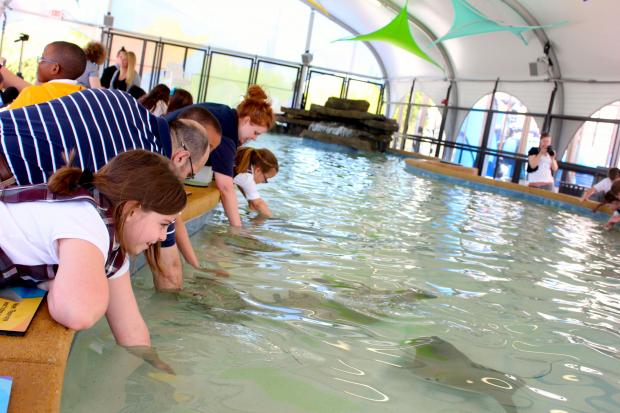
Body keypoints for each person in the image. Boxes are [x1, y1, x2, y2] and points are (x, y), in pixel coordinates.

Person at [0, 88, 214, 291]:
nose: (183, 181)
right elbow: (169, 270)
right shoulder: (147, 166)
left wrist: (194, 262)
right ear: (180, 158)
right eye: (190, 174)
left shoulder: (124, 101)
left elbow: (171, 220)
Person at [0, 149, 186, 349]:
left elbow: (133, 333)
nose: (162, 237)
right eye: (163, 224)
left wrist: (156, 370)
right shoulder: (88, 222)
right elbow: (80, 313)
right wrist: (52, 285)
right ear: (132, 210)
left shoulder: (112, 246)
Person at [166, 84, 275, 227]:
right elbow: (225, 188)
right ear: (247, 121)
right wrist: (237, 229)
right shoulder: (227, 134)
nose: (255, 139)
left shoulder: (226, 114)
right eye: (256, 133)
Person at [0, 41, 86, 110]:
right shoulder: (84, 95)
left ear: (54, 68)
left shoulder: (32, 94)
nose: (38, 63)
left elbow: (7, 120)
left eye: (42, 59)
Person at [233, 147, 279, 217]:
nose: (264, 182)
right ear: (258, 170)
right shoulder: (247, 176)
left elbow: (240, 181)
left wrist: (250, 200)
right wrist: (272, 220)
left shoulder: (242, 161)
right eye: (265, 178)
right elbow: (259, 203)